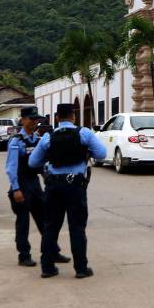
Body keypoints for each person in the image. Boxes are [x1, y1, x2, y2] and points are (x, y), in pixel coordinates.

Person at [29, 103, 106, 279]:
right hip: (75, 185)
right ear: (74, 116)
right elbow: (101, 153)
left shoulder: (48, 137)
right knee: (77, 227)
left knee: (50, 227)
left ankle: (47, 268)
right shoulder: (84, 133)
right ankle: (81, 268)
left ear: (57, 118)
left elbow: (33, 162)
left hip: (54, 185)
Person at [5, 106, 70, 268]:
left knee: (45, 221)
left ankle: (52, 252)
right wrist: (16, 189)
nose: (34, 122)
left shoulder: (38, 140)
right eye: (31, 119)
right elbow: (11, 167)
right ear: (23, 120)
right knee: (23, 222)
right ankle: (24, 255)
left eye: (36, 119)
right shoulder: (16, 141)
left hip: (35, 184)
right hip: (21, 184)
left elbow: (43, 164)